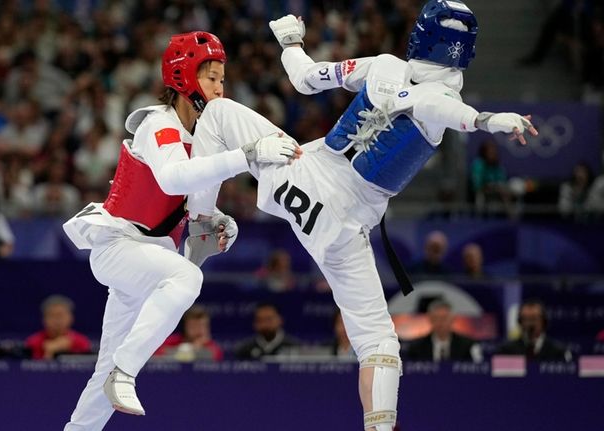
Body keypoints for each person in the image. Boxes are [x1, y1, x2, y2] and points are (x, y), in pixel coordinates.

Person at [186, 2, 538, 429]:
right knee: (379, 342)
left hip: (299, 171)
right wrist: (494, 120)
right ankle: (380, 426)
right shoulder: (428, 91)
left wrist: (290, 41)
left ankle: (202, 222)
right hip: (338, 224)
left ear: (423, 36)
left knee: (220, 113)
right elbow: (458, 115)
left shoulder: (389, 69)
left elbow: (304, 77)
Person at [61, 32, 299, 429]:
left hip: (148, 258)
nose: (220, 88)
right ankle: (126, 371)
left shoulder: (205, 139)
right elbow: (172, 178)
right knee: (187, 277)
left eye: (223, 79)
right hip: (118, 246)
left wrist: (216, 220)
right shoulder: (158, 123)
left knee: (101, 378)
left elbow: (190, 204)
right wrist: (246, 155)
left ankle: (95, 402)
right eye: (211, 77)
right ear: (184, 78)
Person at [405, 300, 482, 362]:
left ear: (452, 319)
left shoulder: (467, 346)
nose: (440, 323)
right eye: (436, 319)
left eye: (444, 318)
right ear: (430, 320)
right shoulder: (416, 348)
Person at [496, 300, 572, 362]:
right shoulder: (506, 351)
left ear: (543, 321)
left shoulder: (558, 351)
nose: (530, 324)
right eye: (525, 319)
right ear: (519, 322)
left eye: (533, 319)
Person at [25, 295, 92, 360]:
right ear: (44, 319)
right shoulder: (33, 343)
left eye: (61, 315)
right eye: (52, 316)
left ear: (71, 318)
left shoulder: (81, 342)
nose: (57, 321)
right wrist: (48, 353)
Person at [154, 304, 223, 362]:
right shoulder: (173, 340)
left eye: (203, 326)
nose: (199, 330)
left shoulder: (212, 347)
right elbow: (155, 353)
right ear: (185, 326)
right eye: (194, 326)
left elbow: (215, 356)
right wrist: (191, 347)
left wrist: (195, 348)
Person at [235, 303, 300, 360]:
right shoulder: (243, 350)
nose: (265, 325)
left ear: (280, 320)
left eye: (269, 319)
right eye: (260, 320)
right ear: (254, 323)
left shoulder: (296, 347)